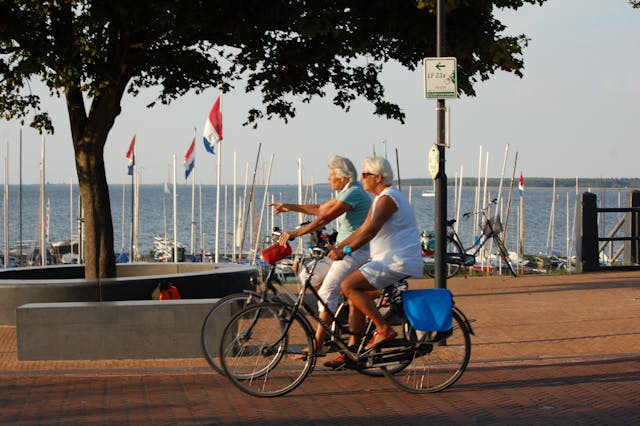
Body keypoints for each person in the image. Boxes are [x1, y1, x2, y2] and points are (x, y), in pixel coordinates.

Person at [269, 155, 372, 358]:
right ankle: (334, 315)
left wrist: (296, 233)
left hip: (354, 252)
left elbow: (326, 217)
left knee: (326, 292)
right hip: (342, 252)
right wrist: (290, 206)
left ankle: (318, 344)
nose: (328, 178)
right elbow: (320, 209)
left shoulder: (354, 193)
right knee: (311, 275)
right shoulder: (347, 192)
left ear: (343, 177)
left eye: (331, 174)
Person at [326, 156, 422, 368]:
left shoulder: (388, 199)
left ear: (378, 177)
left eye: (365, 175)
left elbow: (371, 230)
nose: (361, 178)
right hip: (388, 259)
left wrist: (347, 250)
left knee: (348, 285)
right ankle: (353, 351)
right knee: (356, 297)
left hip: (397, 260)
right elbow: (361, 228)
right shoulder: (381, 198)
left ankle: (383, 328)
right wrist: (338, 248)